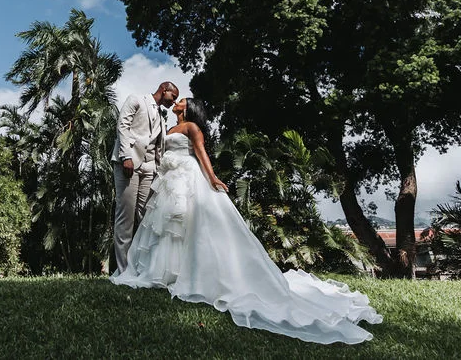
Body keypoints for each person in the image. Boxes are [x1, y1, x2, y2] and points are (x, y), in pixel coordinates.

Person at [111, 97, 383, 345]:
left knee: (189, 224)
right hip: (169, 180)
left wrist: (212, 177)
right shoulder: (169, 129)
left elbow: (201, 152)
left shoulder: (193, 127)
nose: (178, 101)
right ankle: (165, 272)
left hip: (187, 177)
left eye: (182, 100)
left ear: (188, 107)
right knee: (169, 226)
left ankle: (188, 273)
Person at [110, 81, 179, 276]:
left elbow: (158, 146)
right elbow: (122, 126)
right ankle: (123, 271)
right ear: (164, 89)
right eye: (173, 97)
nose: (173, 102)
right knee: (125, 218)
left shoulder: (161, 117)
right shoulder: (136, 100)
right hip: (129, 164)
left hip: (150, 169)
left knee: (147, 218)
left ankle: (142, 269)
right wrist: (126, 157)